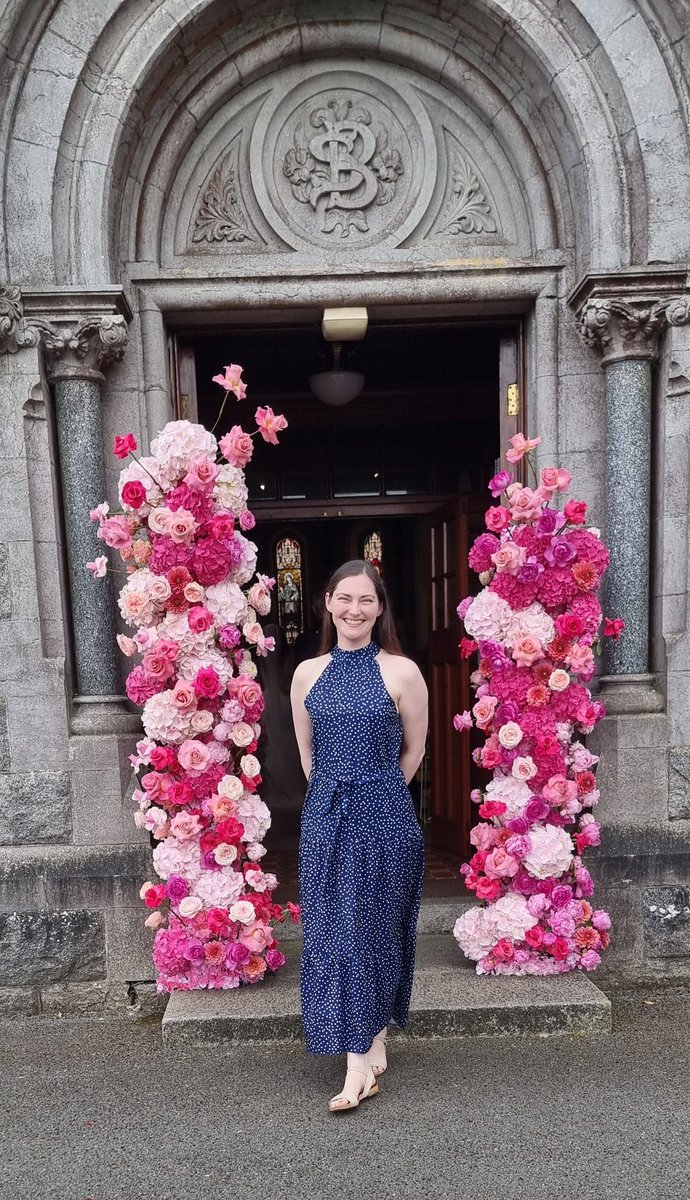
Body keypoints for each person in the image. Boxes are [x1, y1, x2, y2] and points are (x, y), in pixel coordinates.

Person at [290, 559, 428, 1113]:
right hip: (325, 816)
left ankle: (357, 1070)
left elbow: (414, 751)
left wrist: (378, 794)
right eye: (344, 598)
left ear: (379, 607)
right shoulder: (307, 673)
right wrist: (333, 796)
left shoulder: (403, 672)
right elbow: (307, 754)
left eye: (366, 600)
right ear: (327, 602)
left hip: (385, 816)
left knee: (372, 928)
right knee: (336, 929)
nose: (354, 609)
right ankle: (367, 1045)